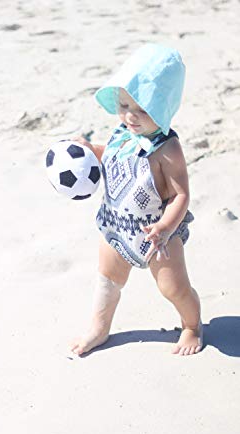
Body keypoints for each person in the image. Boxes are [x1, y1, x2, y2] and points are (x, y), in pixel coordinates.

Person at [70, 43, 203, 356]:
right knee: (107, 278)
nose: (130, 116)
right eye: (125, 105)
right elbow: (113, 158)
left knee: (173, 287)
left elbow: (181, 194)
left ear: (163, 108)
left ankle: (192, 325)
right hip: (118, 225)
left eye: (142, 110)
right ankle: (99, 329)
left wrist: (166, 228)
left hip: (158, 235)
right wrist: (92, 149)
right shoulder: (123, 132)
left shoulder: (167, 150)